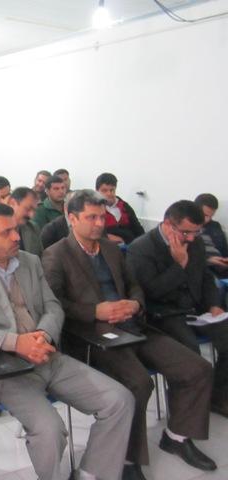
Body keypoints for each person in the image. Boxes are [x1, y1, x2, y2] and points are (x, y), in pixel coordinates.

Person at [0, 202, 134, 480]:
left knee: (120, 400)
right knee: (50, 429)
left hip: (46, 355)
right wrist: (15, 343)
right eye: (6, 232)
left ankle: (91, 474)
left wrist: (43, 335)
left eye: (16, 230)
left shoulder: (30, 261)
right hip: (3, 368)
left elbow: (52, 306)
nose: (16, 237)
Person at [43, 190, 215, 478]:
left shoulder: (110, 249)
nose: (100, 223)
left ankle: (176, 437)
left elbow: (134, 285)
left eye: (102, 217)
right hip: (93, 335)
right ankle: (126, 458)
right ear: (72, 218)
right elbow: (54, 302)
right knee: (138, 383)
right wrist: (95, 311)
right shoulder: (56, 254)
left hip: (132, 324)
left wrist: (135, 303)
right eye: (91, 217)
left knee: (197, 368)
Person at [127, 200, 228, 417]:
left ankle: (218, 397)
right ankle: (186, 414)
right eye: (185, 232)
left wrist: (214, 305)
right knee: (191, 355)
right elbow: (150, 292)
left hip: (196, 309)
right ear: (167, 224)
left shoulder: (195, 242)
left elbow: (205, 277)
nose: (191, 238)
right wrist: (179, 265)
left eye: (196, 232)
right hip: (163, 314)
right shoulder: (141, 248)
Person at [96, 173, 144, 244]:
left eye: (112, 190)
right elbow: (88, 231)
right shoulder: (93, 208)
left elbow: (138, 229)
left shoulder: (124, 206)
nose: (109, 194)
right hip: (106, 246)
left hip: (130, 245)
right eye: (104, 190)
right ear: (97, 191)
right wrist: (105, 237)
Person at [194, 193, 228, 277]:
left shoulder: (215, 226)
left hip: (222, 268)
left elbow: (224, 250)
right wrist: (208, 260)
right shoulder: (185, 227)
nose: (207, 219)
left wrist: (225, 260)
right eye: (205, 215)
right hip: (201, 270)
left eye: (211, 216)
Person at [8, 187, 43, 257]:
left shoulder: (33, 228)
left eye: (34, 210)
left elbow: (41, 257)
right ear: (12, 203)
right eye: (28, 209)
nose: (31, 215)